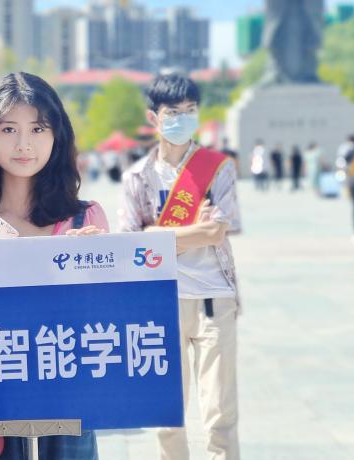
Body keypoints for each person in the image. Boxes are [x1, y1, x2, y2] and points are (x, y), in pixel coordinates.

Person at [0, 72, 106, 460]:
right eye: (9, 129)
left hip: (65, 398)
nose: (24, 144)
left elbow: (105, 322)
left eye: (38, 129)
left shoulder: (86, 219)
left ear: (57, 136)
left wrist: (97, 269)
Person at [120, 74, 241, 460]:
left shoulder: (217, 168)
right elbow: (133, 244)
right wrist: (194, 231)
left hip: (213, 299)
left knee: (220, 412)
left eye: (190, 111)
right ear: (153, 117)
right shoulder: (137, 177)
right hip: (161, 302)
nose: (183, 119)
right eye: (173, 112)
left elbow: (217, 231)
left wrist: (158, 235)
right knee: (167, 415)